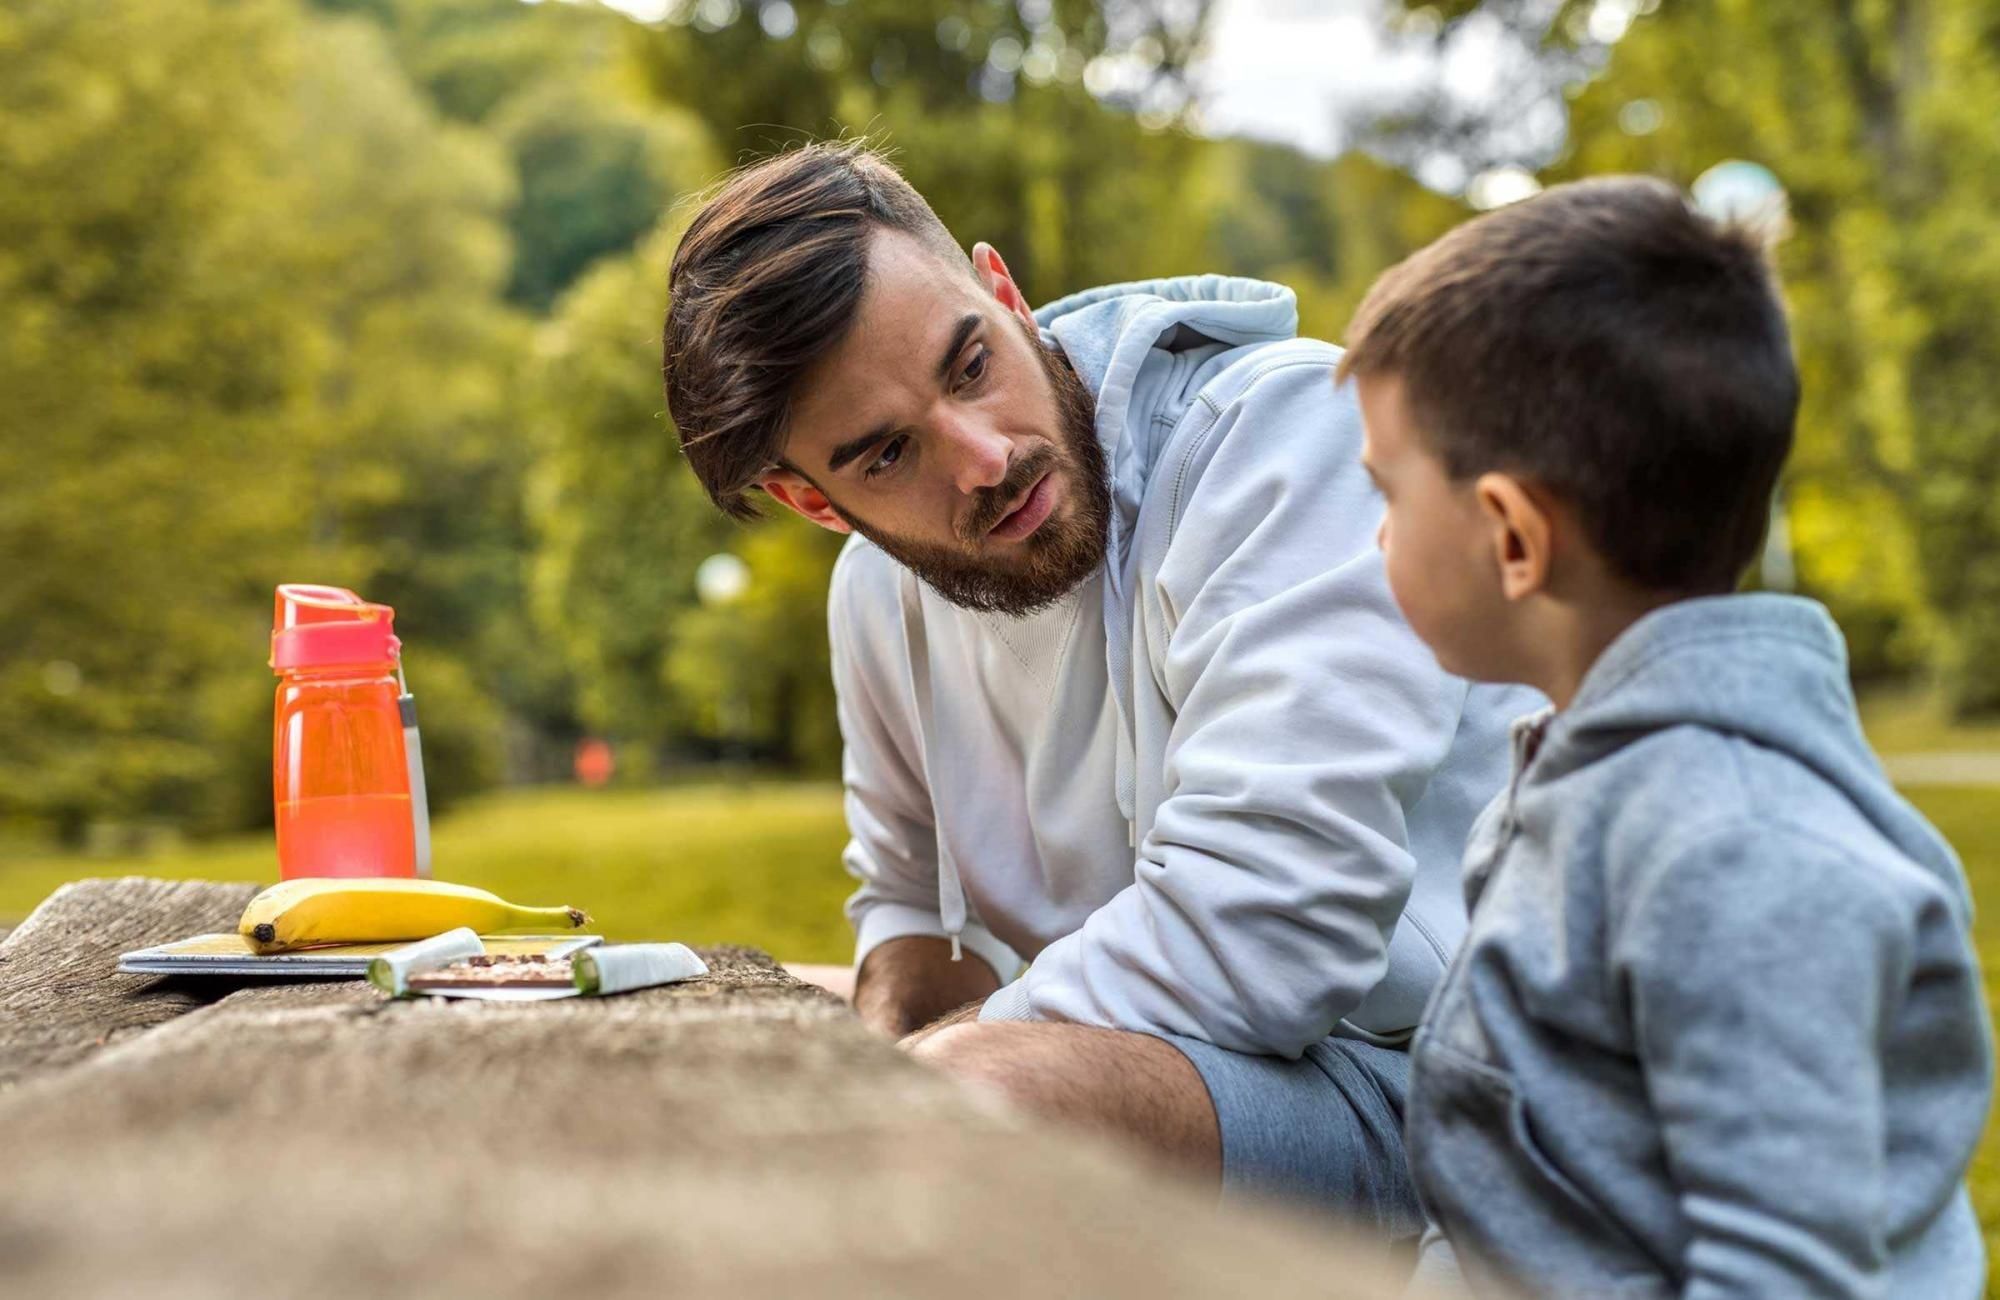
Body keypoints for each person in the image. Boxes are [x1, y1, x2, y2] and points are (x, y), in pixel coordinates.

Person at [660, 141, 1533, 1230]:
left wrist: (930, 1069)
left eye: (968, 364)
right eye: (887, 455)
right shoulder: (873, 600)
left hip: (1467, 1099)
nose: (980, 457)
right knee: (716, 1016)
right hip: (1210, 1069)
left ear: (1003, 293)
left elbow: (1274, 930)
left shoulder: (1282, 439)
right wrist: (897, 1025)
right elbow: (906, 908)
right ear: (815, 502)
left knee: (969, 1104)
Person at [1342, 176, 1992, 1297]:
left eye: (1387, 496)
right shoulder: (1584, 777)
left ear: (1510, 535)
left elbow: (1783, 1275)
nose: (1376, 538)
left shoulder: (1732, 849)